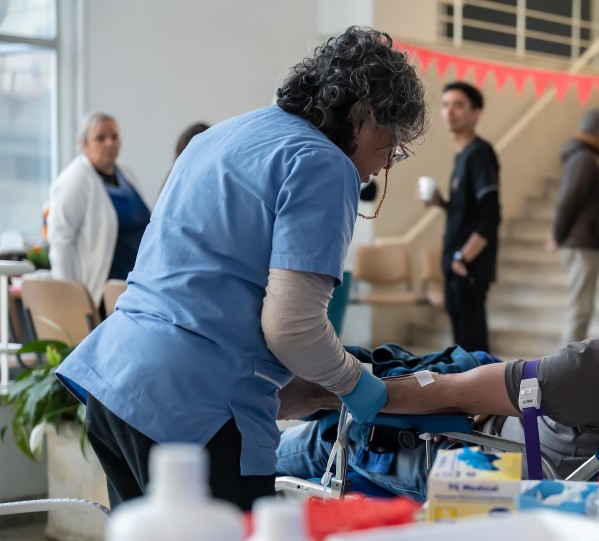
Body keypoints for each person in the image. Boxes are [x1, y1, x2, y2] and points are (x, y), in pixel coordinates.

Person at [55, 27, 428, 511]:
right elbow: (292, 327)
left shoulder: (221, 136)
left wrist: (284, 386)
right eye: (391, 141)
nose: (386, 163)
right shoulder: (325, 163)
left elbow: (204, 285)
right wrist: (355, 382)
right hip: (193, 412)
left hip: (117, 382)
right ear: (363, 115)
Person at [275, 187, 599, 500]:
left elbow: (453, 392)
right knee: (396, 363)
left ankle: (250, 447)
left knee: (332, 432)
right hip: (510, 405)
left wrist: (329, 392)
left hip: (478, 452)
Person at [419, 82, 501, 354]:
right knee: (462, 344)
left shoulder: (479, 154)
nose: (449, 111)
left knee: (472, 347)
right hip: (456, 264)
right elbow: (468, 211)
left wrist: (462, 258)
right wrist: (441, 202)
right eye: (445, 105)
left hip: (468, 267)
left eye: (458, 105)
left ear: (476, 113)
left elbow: (491, 216)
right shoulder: (462, 155)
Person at [48, 113, 151, 308]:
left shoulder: (127, 174)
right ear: (83, 144)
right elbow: (61, 243)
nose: (109, 143)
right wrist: (69, 300)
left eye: (114, 137)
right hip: (99, 294)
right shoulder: (74, 180)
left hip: (136, 289)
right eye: (100, 138)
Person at [547, 108, 599, 344]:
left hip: (585, 242)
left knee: (582, 307)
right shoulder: (584, 159)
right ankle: (568, 360)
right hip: (583, 244)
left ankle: (570, 356)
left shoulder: (583, 157)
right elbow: (568, 199)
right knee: (580, 308)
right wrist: (557, 234)